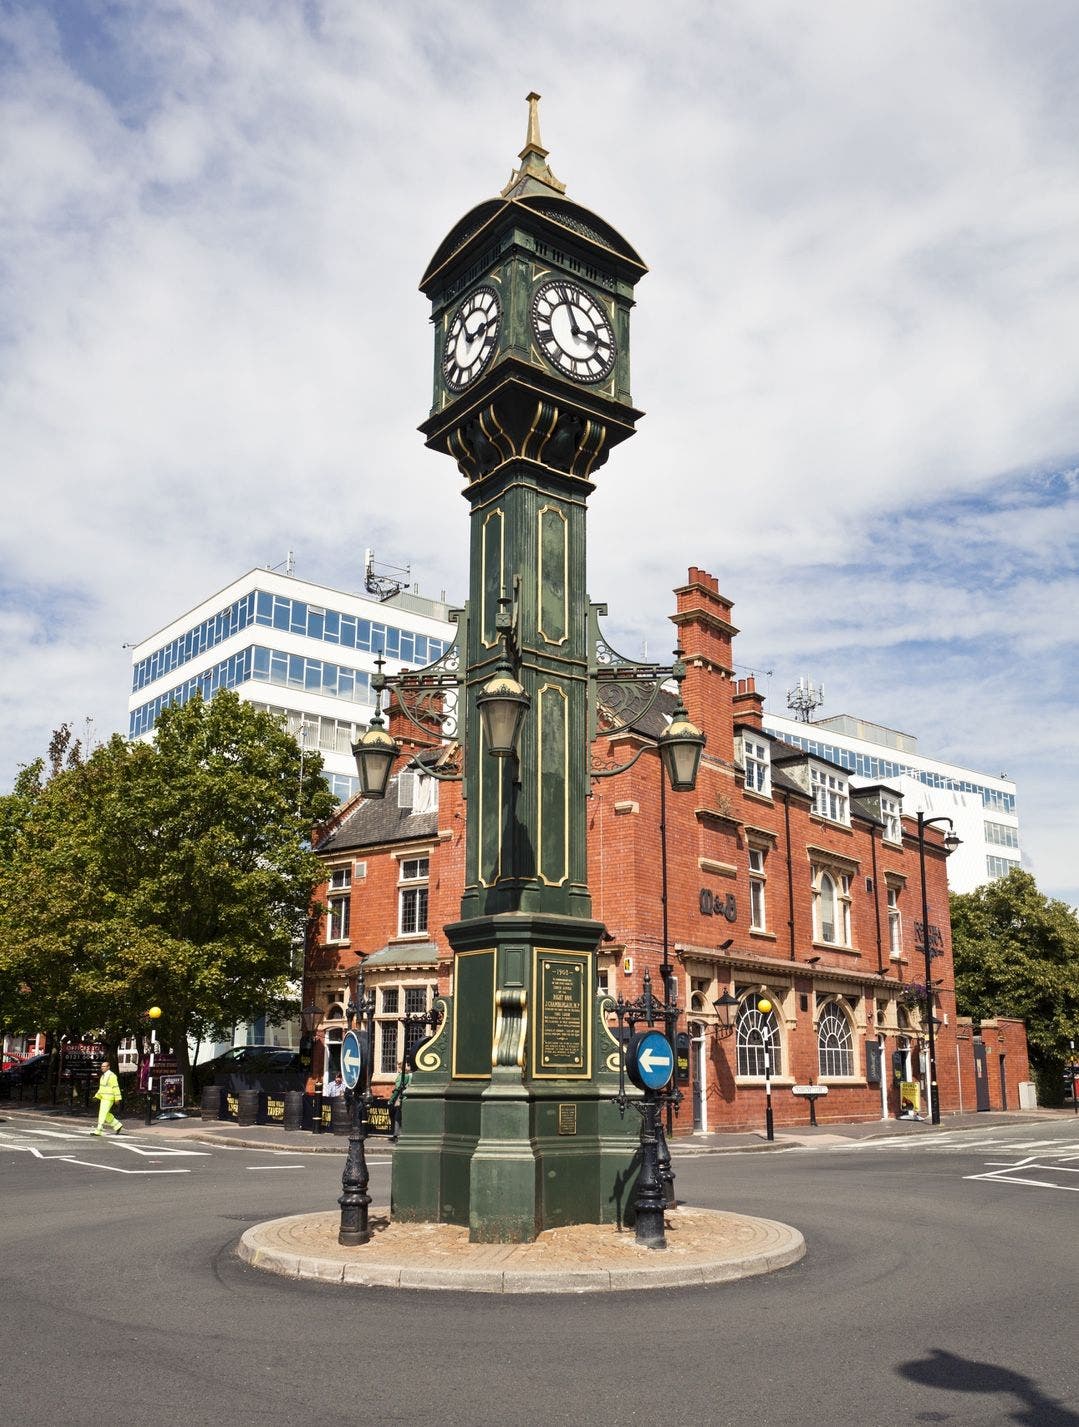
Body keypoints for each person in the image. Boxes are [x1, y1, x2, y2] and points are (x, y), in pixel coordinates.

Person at [92, 1059, 123, 1135]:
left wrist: (117, 1098)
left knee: (102, 1113)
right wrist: (96, 1096)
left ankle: (99, 1130)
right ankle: (117, 1125)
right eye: (102, 1066)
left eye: (104, 1066)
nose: (102, 1068)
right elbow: (102, 1088)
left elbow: (115, 1087)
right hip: (103, 1098)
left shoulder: (112, 1076)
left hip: (109, 1098)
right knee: (106, 1114)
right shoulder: (103, 1076)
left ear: (108, 1067)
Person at [388, 1061, 411, 1141]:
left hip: (401, 1098)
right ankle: (397, 1135)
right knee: (400, 1116)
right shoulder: (409, 1075)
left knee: (398, 1117)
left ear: (400, 1068)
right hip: (407, 1098)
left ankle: (397, 1135)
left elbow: (397, 1089)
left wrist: (391, 1100)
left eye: (398, 1067)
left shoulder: (402, 1076)